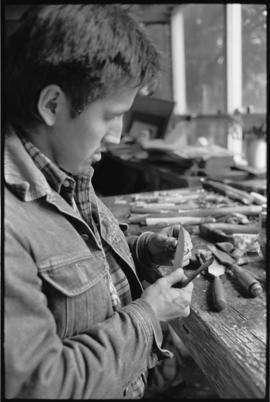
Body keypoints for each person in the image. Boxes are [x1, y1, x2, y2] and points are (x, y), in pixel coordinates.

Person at [4, 4, 194, 399]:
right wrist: (150, 317)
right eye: (111, 115)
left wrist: (142, 249)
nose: (117, 136)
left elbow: (75, 259)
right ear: (52, 105)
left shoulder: (65, 170)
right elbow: (38, 386)